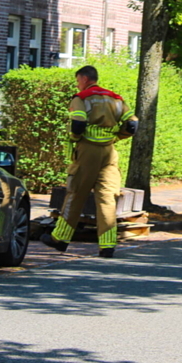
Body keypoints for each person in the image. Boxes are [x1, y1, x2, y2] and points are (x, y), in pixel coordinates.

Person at [41, 65, 137, 258]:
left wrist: (75, 138)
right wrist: (116, 137)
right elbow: (132, 124)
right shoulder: (115, 99)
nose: (77, 85)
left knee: (75, 194)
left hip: (87, 152)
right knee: (107, 199)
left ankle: (60, 238)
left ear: (84, 79)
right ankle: (107, 246)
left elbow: (78, 124)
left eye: (78, 81)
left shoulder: (82, 98)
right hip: (109, 153)